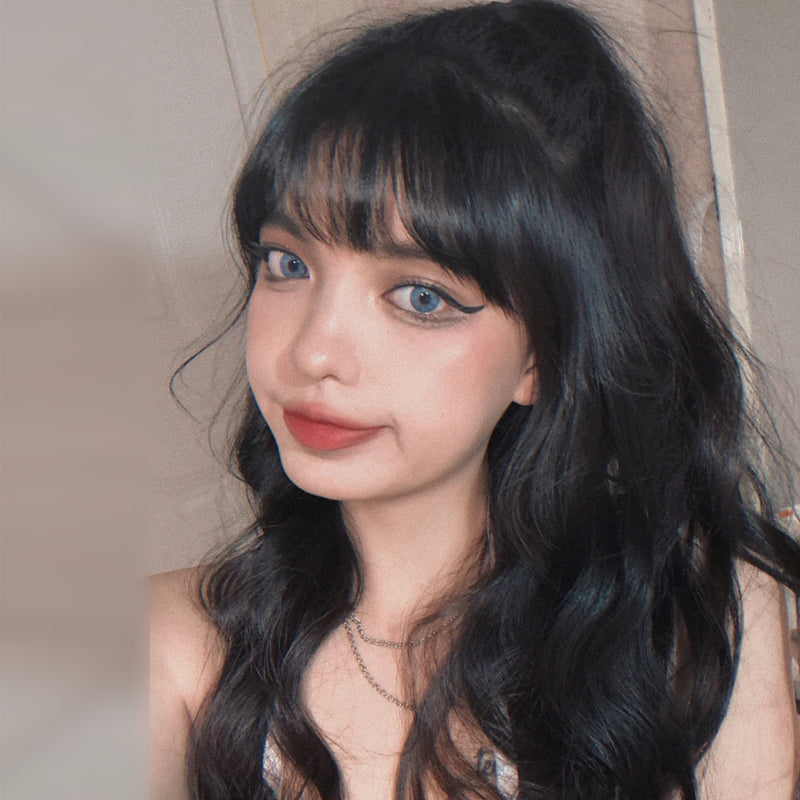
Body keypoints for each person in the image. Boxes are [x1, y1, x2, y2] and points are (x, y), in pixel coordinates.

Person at [150, 1, 800, 798]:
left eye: (421, 296)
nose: (311, 352)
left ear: (543, 357)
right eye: (288, 264)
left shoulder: (696, 620)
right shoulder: (173, 649)